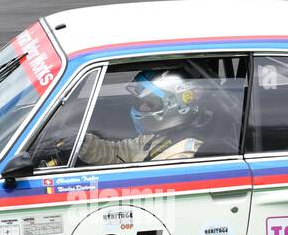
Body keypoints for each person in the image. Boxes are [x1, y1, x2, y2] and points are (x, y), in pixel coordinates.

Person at [75, 69, 215, 166]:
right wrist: (79, 142)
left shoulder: (181, 155)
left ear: (175, 105)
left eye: (149, 103)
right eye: (141, 102)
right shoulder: (158, 136)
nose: (141, 108)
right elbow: (118, 153)